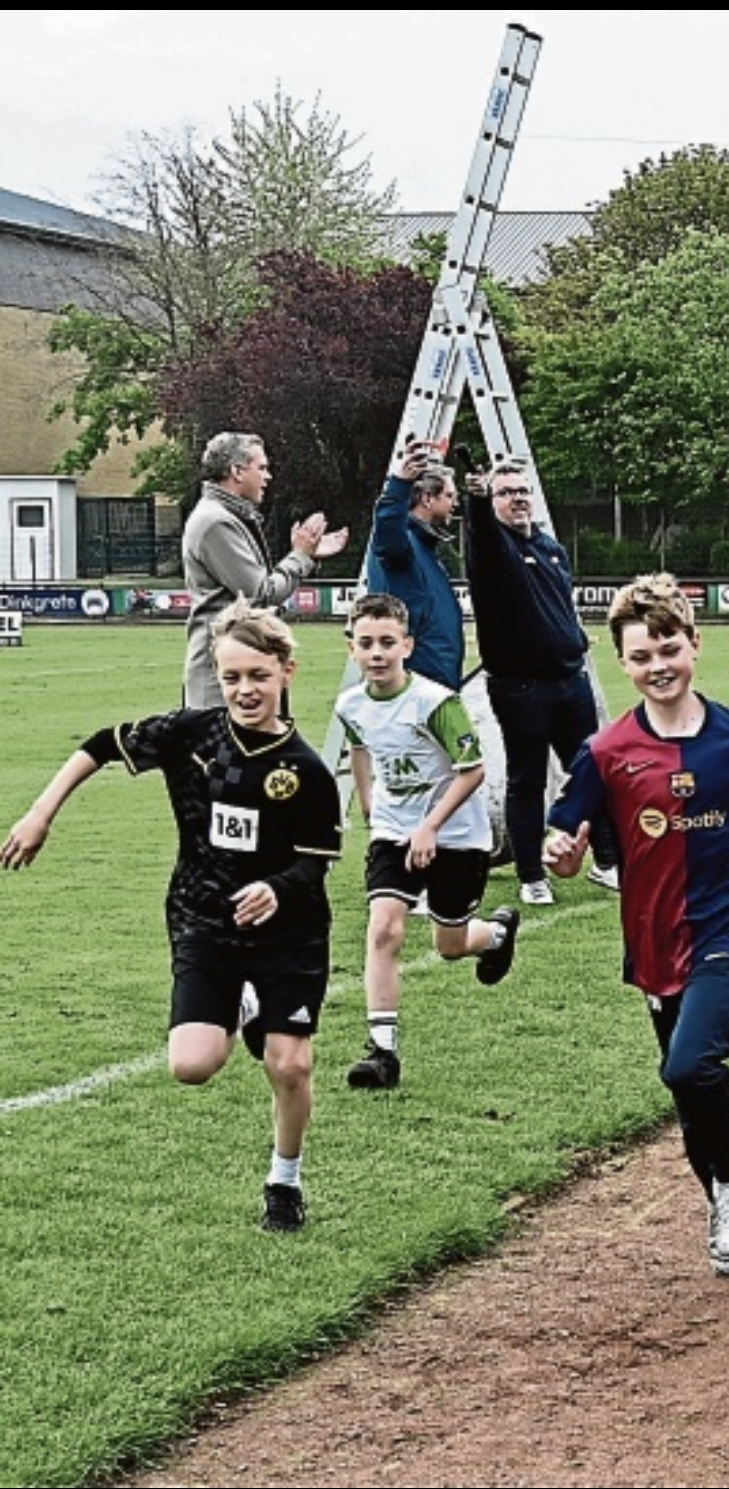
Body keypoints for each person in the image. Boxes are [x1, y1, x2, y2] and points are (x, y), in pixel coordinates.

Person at [6, 602, 343, 1231]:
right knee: (190, 1066)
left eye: (259, 676)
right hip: (203, 919)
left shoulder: (306, 771)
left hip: (289, 934)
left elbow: (316, 862)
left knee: (289, 1063)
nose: (245, 690)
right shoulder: (191, 734)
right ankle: (243, 1008)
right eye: (232, 677)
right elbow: (101, 745)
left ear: (287, 672)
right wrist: (40, 812)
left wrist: (276, 888)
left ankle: (284, 1182)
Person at [544, 576, 729, 1277]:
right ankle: (723, 1202)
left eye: (669, 648)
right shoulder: (607, 751)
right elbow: (565, 842)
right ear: (622, 662)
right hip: (656, 936)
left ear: (694, 644)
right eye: (642, 655)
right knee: (685, 1089)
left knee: (690, 1061)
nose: (659, 666)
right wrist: (564, 855)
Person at [333, 595, 521, 1092]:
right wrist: (371, 802)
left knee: (450, 945)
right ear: (351, 648)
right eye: (366, 643)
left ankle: (497, 934)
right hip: (395, 831)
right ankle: (382, 1052)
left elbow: (473, 770)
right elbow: (359, 747)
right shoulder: (350, 704)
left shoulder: (435, 702)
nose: (377, 653)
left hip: (456, 836)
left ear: (407, 646)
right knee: (384, 929)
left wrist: (431, 826)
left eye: (387, 643)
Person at [466, 458, 603, 907]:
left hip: (569, 680)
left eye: (522, 491)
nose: (518, 498)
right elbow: (482, 533)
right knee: (526, 780)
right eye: (506, 492)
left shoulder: (550, 547)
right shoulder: (492, 550)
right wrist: (478, 500)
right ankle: (531, 875)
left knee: (591, 772)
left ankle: (608, 860)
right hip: (520, 688)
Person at [180, 432, 348, 708]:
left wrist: (305, 555)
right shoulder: (215, 522)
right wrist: (301, 556)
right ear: (237, 471)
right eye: (262, 467)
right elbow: (260, 595)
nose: (268, 477)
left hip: (235, 671)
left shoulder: (224, 516)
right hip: (222, 682)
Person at [364, 440, 466, 688]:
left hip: (433, 683)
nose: (456, 504)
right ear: (428, 499)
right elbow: (387, 533)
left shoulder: (423, 547)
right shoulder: (403, 546)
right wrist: (399, 483)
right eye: (450, 496)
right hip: (419, 686)